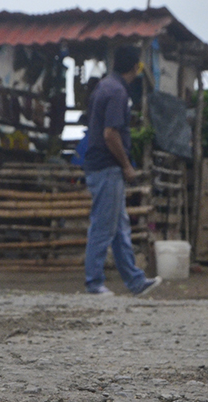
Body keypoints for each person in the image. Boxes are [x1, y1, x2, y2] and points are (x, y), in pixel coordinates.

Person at [82, 45, 162, 296]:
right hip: (108, 167)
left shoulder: (104, 86)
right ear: (135, 67)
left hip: (100, 166)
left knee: (119, 228)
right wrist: (127, 165)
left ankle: (135, 281)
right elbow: (110, 134)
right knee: (104, 226)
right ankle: (94, 283)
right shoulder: (117, 92)